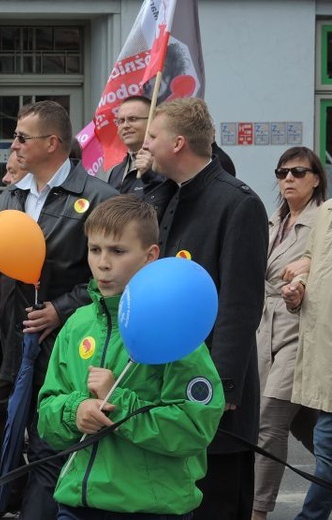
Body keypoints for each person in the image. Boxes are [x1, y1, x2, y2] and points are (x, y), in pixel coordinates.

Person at [0, 100, 117, 519]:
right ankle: (7, 507)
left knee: (50, 443)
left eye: (21, 137)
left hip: (67, 345)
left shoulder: (98, 196)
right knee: (3, 433)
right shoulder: (12, 195)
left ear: (52, 143)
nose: (13, 145)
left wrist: (62, 308)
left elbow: (110, 272)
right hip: (12, 346)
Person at [38, 194, 225, 519]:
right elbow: (46, 413)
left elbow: (196, 427)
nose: (103, 262)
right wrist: (75, 411)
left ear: (149, 256)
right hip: (77, 505)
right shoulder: (77, 325)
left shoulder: (173, 324)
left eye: (118, 251)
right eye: (95, 249)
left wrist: (121, 405)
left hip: (149, 507)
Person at [143, 97, 268, 520]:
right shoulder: (163, 197)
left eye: (153, 136)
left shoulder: (238, 203)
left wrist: (224, 385)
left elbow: (241, 302)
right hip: (167, 381)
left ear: (178, 143)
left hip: (214, 387)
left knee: (218, 498)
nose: (146, 144)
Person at [252, 147, 326, 520]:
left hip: (302, 329)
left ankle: (258, 511)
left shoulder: (324, 223)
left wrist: (303, 281)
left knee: (268, 421)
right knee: (299, 423)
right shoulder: (272, 220)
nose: (288, 180)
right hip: (265, 327)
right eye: (282, 172)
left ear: (316, 178)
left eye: (298, 172)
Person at [282, 202, 332, 519]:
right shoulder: (327, 211)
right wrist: (298, 288)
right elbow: (316, 264)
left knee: (327, 457)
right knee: (326, 449)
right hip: (325, 358)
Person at [106, 95, 165, 197]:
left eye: (133, 119)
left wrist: (151, 174)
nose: (125, 126)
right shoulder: (116, 171)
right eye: (120, 121)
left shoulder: (167, 164)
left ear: (153, 120)